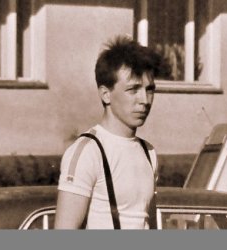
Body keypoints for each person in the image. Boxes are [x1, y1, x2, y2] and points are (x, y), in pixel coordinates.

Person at [55, 36, 162, 229]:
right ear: (106, 94)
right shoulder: (88, 152)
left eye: (149, 90)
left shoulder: (149, 152)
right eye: (133, 90)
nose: (145, 100)